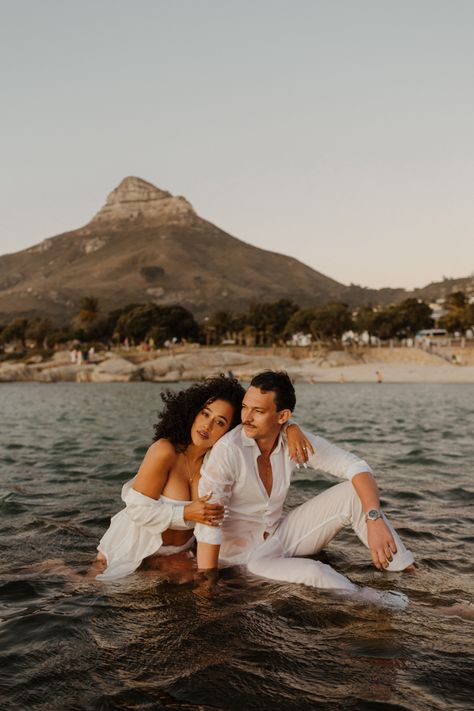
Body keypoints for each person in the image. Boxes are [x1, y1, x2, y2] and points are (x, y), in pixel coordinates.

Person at [195, 371, 415, 606]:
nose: (246, 417)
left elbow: (357, 467)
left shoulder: (292, 440)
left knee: (354, 493)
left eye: (257, 411)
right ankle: (387, 603)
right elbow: (209, 523)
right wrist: (207, 588)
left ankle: (408, 574)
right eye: (244, 407)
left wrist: (374, 518)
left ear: (283, 416)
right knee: (315, 572)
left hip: (278, 536)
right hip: (245, 559)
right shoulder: (229, 451)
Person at [95, 375, 310, 580]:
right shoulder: (165, 451)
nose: (207, 426)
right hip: (133, 549)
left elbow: (263, 424)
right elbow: (137, 511)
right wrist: (186, 512)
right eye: (205, 414)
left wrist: (291, 428)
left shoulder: (218, 461)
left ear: (231, 430)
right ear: (193, 411)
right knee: (88, 593)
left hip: (178, 555)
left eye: (220, 422)